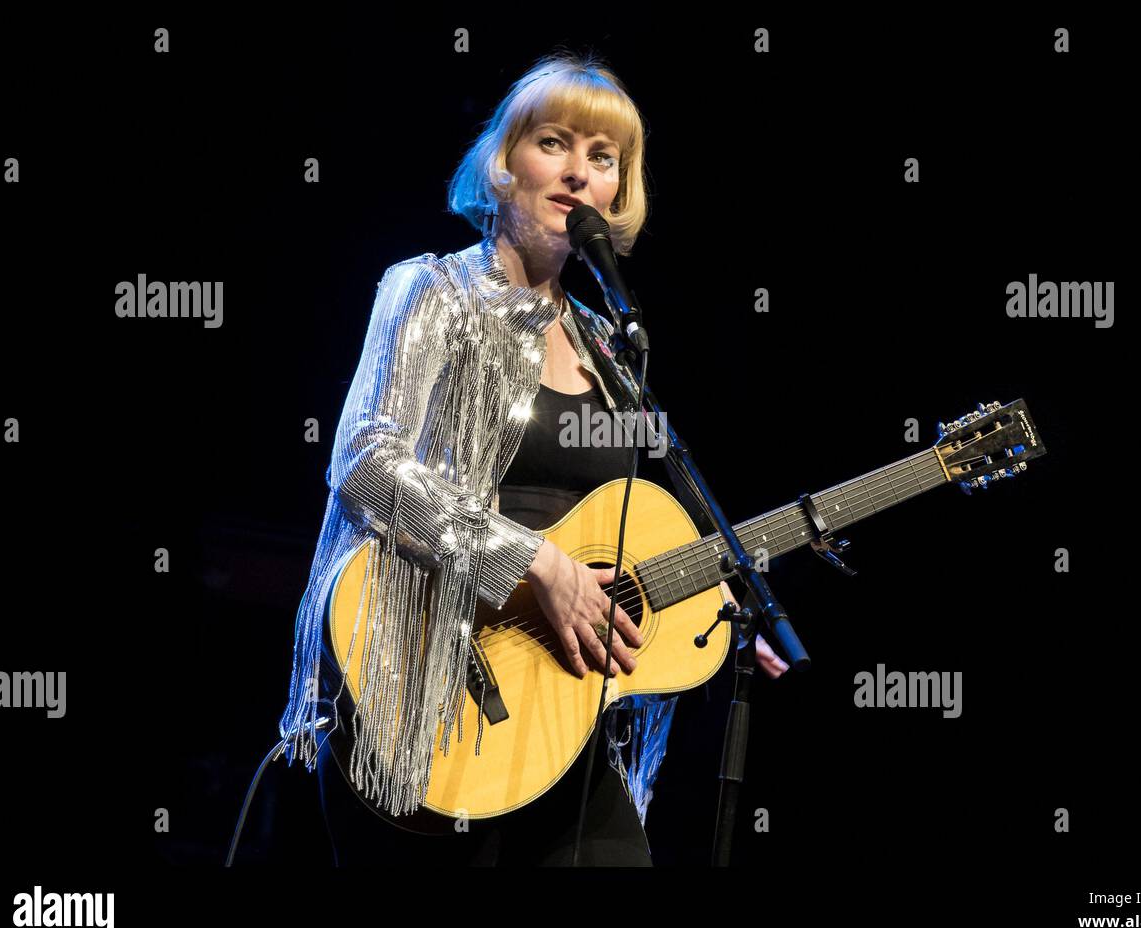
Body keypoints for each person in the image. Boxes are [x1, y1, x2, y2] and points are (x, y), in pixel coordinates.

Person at [282, 50, 788, 867]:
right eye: (554, 143)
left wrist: (712, 589)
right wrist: (532, 565)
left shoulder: (612, 350)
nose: (578, 172)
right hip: (430, 704)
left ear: (620, 190)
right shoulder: (433, 291)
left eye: (603, 158)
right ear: (503, 164)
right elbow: (367, 465)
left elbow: (621, 536)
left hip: (567, 727)